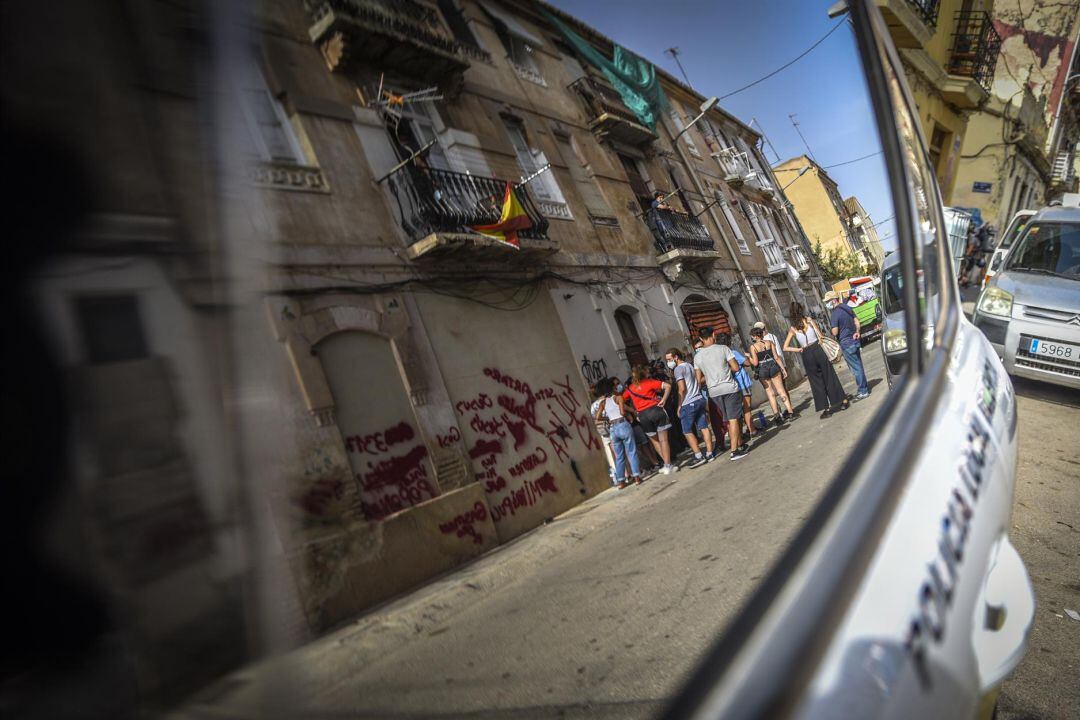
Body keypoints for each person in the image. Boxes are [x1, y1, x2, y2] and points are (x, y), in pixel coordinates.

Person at [783, 301, 848, 418]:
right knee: (829, 375)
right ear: (801, 309)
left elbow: (785, 347)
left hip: (806, 354)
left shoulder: (793, 329)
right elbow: (820, 336)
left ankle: (826, 409)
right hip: (818, 349)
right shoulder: (809, 320)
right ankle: (843, 401)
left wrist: (799, 349)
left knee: (816, 381)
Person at [694, 328, 750, 460]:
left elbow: (698, 380)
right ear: (713, 335)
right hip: (729, 387)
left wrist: (710, 376)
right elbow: (736, 368)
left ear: (701, 339)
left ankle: (740, 444)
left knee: (729, 420)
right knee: (734, 419)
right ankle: (734, 451)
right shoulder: (723, 348)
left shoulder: (698, 357)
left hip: (713, 392)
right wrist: (724, 371)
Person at [664, 348, 714, 468]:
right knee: (704, 427)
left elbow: (682, 389)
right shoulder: (690, 366)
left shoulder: (678, 369)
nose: (668, 363)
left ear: (676, 357)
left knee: (687, 430)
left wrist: (679, 405)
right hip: (699, 399)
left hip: (688, 403)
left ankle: (698, 456)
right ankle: (709, 453)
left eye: (669, 359)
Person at [623, 365, 678, 475]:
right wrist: (663, 400)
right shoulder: (649, 382)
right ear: (644, 373)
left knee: (655, 441)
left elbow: (620, 401)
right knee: (663, 440)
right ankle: (668, 465)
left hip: (643, 415)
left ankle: (667, 464)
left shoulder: (630, 388)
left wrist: (634, 411)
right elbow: (667, 386)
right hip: (656, 410)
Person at [593, 378, 641, 488]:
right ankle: (637, 477)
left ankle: (621, 482)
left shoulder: (603, 402)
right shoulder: (618, 397)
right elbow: (622, 412)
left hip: (613, 429)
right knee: (631, 452)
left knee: (619, 456)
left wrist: (608, 419)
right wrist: (628, 416)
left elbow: (597, 417)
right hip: (622, 424)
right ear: (612, 387)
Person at [827, 291, 870, 400]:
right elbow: (857, 321)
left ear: (833, 300)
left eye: (827, 301)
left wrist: (831, 330)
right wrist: (857, 332)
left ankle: (863, 391)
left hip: (846, 344)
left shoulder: (835, 314)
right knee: (859, 366)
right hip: (855, 341)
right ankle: (864, 388)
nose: (826, 304)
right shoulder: (847, 307)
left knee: (856, 369)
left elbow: (835, 332)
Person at [728, 338, 759, 443]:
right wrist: (746, 356)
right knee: (747, 408)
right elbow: (747, 363)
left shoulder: (721, 355)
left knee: (738, 411)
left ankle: (741, 434)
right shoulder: (733, 353)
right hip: (742, 383)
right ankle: (752, 430)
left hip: (733, 386)